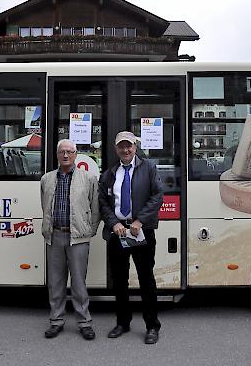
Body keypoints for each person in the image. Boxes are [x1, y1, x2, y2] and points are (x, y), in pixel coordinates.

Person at [99, 131, 164, 344]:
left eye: (129, 146)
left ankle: (152, 326)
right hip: (118, 233)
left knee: (146, 280)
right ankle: (122, 322)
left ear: (135, 147)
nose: (125, 150)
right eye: (121, 146)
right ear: (116, 149)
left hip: (141, 232)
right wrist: (114, 223)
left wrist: (139, 221)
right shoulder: (110, 173)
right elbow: (103, 204)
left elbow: (157, 196)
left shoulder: (149, 168)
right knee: (120, 281)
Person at [40, 139, 100, 340]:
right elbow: (45, 206)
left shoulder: (88, 178)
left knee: (78, 283)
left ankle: (84, 322)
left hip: (78, 238)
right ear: (57, 155)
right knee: (55, 282)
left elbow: (95, 209)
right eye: (62, 152)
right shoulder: (46, 179)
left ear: (76, 155)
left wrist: (88, 231)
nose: (65, 155)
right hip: (55, 236)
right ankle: (56, 321)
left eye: (70, 152)